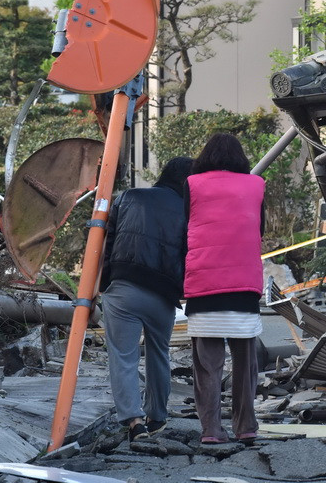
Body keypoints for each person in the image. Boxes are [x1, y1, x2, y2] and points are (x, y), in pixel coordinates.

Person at [100, 156, 193, 442]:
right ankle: (157, 417)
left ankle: (134, 422)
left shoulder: (129, 197)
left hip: (125, 287)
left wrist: (105, 285)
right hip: (163, 295)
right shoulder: (189, 211)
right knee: (158, 354)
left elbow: (109, 241)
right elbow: (189, 254)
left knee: (124, 357)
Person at [183, 133, 264, 444]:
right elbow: (260, 229)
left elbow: (185, 228)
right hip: (243, 286)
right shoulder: (256, 185)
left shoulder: (192, 184)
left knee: (207, 366)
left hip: (204, 285)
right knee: (246, 364)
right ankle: (246, 427)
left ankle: (211, 431)